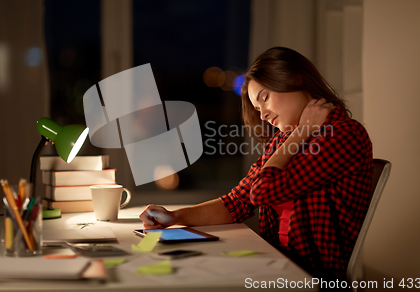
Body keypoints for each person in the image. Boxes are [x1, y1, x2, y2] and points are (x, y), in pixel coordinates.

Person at [139, 47, 373, 280]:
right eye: (258, 108)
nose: (263, 116)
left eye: (265, 98)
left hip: (312, 277)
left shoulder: (342, 135)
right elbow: (237, 202)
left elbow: (263, 192)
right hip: (278, 264)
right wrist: (175, 217)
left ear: (294, 79)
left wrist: (301, 133)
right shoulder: (284, 140)